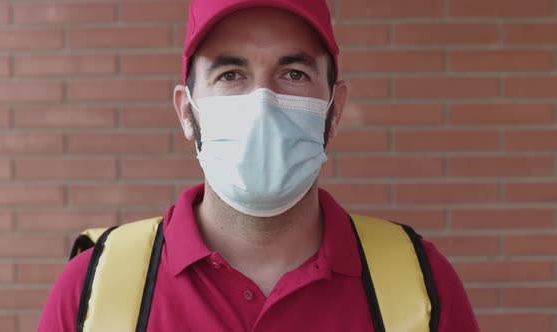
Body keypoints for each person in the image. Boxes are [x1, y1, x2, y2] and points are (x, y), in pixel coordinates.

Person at [38, 0, 479, 331]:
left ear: (334, 108)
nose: (263, 104)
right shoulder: (91, 290)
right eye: (231, 74)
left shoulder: (422, 284)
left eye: (293, 74)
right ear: (187, 112)